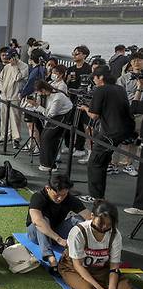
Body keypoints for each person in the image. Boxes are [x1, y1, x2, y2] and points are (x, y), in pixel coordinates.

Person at [58, 200, 143, 289]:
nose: (104, 227)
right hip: (74, 268)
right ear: (92, 216)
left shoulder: (115, 235)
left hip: (102, 268)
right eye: (101, 222)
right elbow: (78, 265)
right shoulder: (78, 232)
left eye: (109, 224)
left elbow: (114, 267)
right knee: (86, 288)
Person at [81, 66, 135, 202]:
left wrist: (85, 108)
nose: (93, 80)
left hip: (110, 132)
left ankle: (96, 196)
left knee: (94, 163)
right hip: (124, 130)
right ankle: (99, 194)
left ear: (100, 77)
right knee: (102, 162)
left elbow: (93, 115)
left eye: (94, 78)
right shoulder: (120, 88)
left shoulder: (100, 90)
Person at [26, 174, 91, 271]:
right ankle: (51, 259)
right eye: (57, 195)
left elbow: (88, 216)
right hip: (35, 234)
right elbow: (37, 221)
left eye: (63, 195)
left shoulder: (70, 199)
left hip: (56, 232)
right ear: (48, 188)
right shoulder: (38, 197)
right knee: (43, 220)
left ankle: (85, 250)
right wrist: (59, 239)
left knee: (79, 219)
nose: (60, 198)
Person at [25, 81, 73, 172]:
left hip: (62, 118)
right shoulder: (50, 95)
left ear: (43, 90)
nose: (38, 94)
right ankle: (46, 163)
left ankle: (50, 164)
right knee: (44, 136)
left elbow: (50, 114)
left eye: (38, 92)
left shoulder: (58, 97)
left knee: (48, 138)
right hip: (55, 117)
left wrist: (36, 105)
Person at [65, 45, 93, 160]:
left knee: (81, 123)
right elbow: (66, 84)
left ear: (84, 55)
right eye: (74, 53)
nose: (74, 55)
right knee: (68, 122)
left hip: (83, 99)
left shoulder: (88, 68)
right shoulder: (71, 69)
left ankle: (79, 147)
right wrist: (67, 80)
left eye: (77, 53)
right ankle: (68, 145)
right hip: (71, 97)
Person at [0, 48, 28, 149]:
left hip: (14, 97)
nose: (8, 60)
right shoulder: (6, 67)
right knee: (4, 118)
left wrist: (14, 66)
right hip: (4, 96)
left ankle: (16, 139)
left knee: (15, 118)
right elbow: (0, 79)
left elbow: (17, 78)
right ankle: (4, 136)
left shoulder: (24, 66)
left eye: (10, 57)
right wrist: (2, 89)